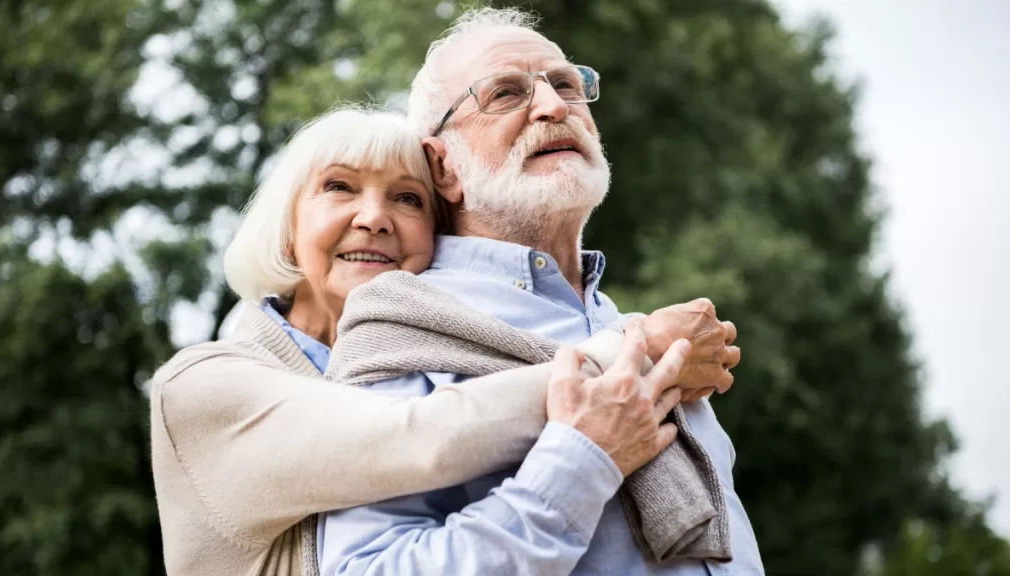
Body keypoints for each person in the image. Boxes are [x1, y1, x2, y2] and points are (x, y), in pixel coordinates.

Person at [150, 106, 699, 576]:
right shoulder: (203, 387)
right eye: (338, 187)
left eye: (409, 199)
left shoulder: (438, 365)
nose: (375, 218)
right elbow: (414, 436)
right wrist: (633, 353)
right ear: (286, 226)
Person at [316, 8, 764, 576]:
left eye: (568, 85)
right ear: (442, 166)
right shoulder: (402, 329)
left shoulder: (637, 331)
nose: (554, 107)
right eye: (505, 93)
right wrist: (581, 463)